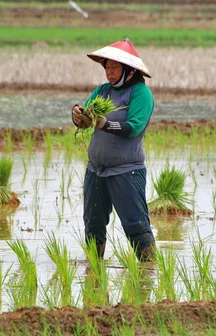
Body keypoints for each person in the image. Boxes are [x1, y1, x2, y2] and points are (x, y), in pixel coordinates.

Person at [71, 39, 156, 262]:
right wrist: (78, 115)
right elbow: (87, 119)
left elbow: (134, 126)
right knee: (93, 223)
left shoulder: (140, 94)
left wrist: (104, 124)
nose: (109, 72)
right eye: (107, 67)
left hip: (126, 172)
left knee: (135, 224)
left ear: (128, 70)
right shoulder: (102, 91)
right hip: (96, 172)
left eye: (115, 68)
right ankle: (94, 272)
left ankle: (150, 271)